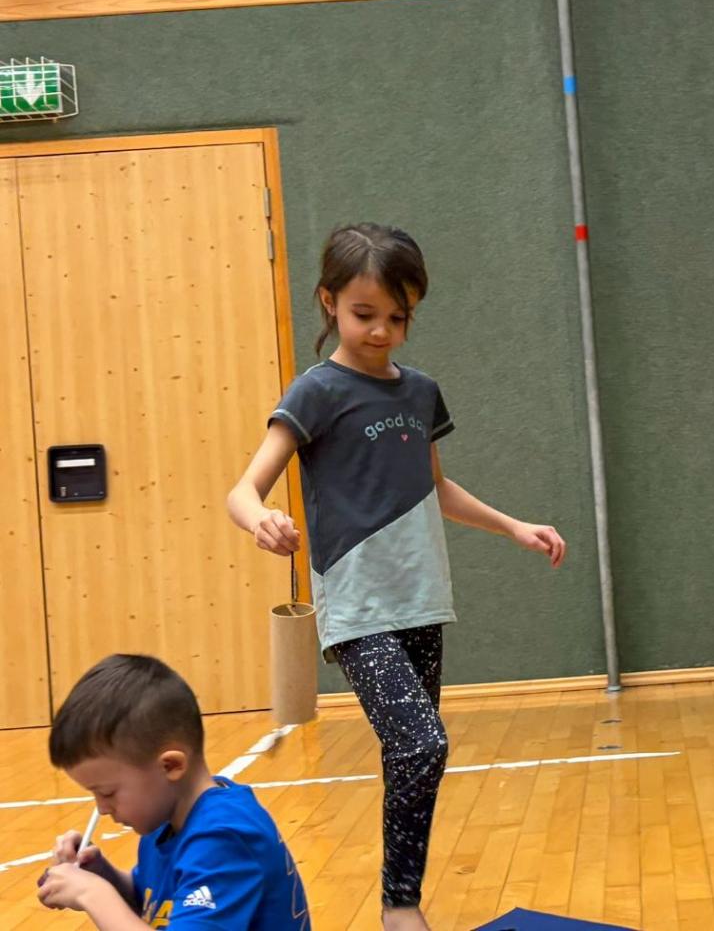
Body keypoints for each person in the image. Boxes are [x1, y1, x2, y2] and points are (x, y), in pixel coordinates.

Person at [227, 222, 566, 930]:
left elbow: (434, 487)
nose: (381, 331)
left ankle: (398, 902)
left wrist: (513, 526)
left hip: (422, 600)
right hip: (358, 608)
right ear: (329, 302)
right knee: (422, 743)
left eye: (398, 317)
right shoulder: (316, 392)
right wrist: (260, 520)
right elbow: (243, 489)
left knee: (409, 757)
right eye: (364, 314)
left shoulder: (419, 393)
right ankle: (400, 909)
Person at [37, 654, 308, 928]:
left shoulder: (224, 836)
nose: (102, 808)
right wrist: (102, 875)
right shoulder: (167, 820)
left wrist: (92, 893)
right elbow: (155, 905)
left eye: (107, 793)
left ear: (171, 766)